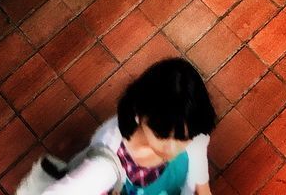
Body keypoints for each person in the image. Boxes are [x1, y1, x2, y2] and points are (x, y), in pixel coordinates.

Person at [21, 57, 215, 195]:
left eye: (183, 139)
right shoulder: (105, 167)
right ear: (139, 114)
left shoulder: (189, 124)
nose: (172, 149)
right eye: (161, 135)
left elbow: (199, 169)